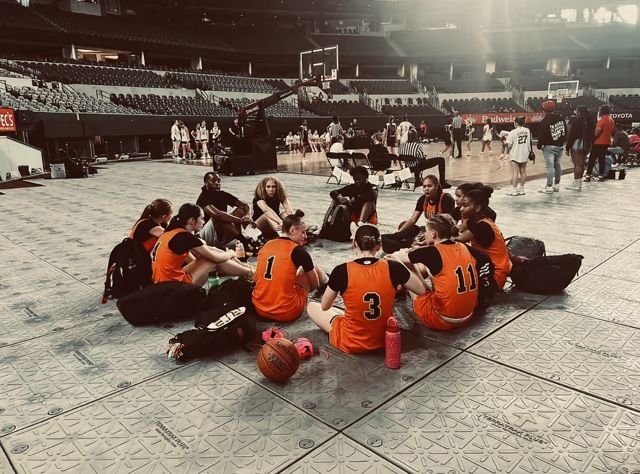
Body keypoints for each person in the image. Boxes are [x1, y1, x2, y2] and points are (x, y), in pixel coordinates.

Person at [307, 225, 424, 353]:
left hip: (352, 341)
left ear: (354, 244)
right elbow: (421, 290)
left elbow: (325, 306)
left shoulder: (341, 270)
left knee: (312, 306)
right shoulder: (393, 267)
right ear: (379, 246)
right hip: (384, 338)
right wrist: (399, 263)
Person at [388, 214, 484, 331]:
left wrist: (400, 252)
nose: (425, 234)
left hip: (442, 319)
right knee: (432, 270)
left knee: (400, 262)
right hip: (467, 315)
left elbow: (395, 258)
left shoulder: (432, 252)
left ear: (433, 233)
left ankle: (397, 293)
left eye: (426, 231)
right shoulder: (463, 246)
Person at [150, 203, 253, 286]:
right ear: (192, 220)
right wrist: (231, 253)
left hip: (161, 280)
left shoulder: (171, 232)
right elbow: (215, 258)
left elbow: (209, 251)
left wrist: (236, 262)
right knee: (212, 260)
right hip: (172, 285)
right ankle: (250, 273)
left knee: (209, 255)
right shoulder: (185, 236)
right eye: (202, 218)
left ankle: (246, 270)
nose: (203, 222)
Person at [253, 210, 328, 322]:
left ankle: (325, 280)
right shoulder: (299, 251)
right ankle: (327, 282)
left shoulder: (266, 245)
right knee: (311, 269)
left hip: (260, 308)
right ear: (292, 230)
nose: (305, 236)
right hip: (286, 311)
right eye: (303, 232)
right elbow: (314, 284)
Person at [381, 175, 455, 253]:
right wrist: (398, 234)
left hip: (443, 232)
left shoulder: (446, 199)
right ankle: (410, 243)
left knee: (423, 243)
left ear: (436, 186)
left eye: (429, 186)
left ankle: (415, 245)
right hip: (430, 230)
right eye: (424, 186)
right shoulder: (423, 199)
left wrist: (428, 234)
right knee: (405, 226)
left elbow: (447, 225)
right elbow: (413, 219)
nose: (426, 189)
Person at [456, 186, 511, 289]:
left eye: (465, 206)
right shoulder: (476, 220)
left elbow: (456, 239)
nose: (461, 209)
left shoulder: (482, 226)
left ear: (477, 208)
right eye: (461, 205)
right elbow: (456, 229)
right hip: (489, 270)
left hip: (494, 277)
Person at [196, 172, 254, 248]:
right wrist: (241, 221)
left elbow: (245, 205)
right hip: (207, 236)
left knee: (241, 210)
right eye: (213, 181)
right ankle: (243, 241)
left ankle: (239, 240)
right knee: (219, 216)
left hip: (222, 231)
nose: (217, 183)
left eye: (219, 181)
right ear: (206, 183)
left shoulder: (222, 194)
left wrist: (248, 216)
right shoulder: (203, 198)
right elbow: (217, 215)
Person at [537, 100, 567, 193]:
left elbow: (541, 135)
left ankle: (549, 186)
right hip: (559, 146)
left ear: (544, 110)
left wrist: (539, 146)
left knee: (550, 167)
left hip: (549, 147)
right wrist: (562, 141)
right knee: (557, 165)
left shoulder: (544, 121)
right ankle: (557, 185)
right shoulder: (561, 118)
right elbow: (565, 131)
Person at [565, 106, 594, 191]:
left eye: (576, 111)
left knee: (577, 164)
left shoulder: (578, 121)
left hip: (578, 143)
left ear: (579, 112)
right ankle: (579, 182)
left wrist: (568, 146)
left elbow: (572, 135)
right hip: (587, 144)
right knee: (581, 164)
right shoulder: (590, 121)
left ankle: (576, 183)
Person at [585, 104, 614, 182]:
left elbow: (596, 132)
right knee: (602, 158)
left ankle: (588, 175)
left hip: (598, 142)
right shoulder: (611, 119)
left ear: (601, 111)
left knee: (592, 159)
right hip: (607, 141)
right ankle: (601, 175)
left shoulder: (602, 120)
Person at [505, 117, 532, 196]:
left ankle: (514, 190)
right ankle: (522, 189)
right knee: (523, 172)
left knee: (515, 172)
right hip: (525, 153)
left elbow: (509, 145)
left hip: (515, 154)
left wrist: (505, 142)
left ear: (516, 123)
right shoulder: (527, 130)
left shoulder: (513, 132)